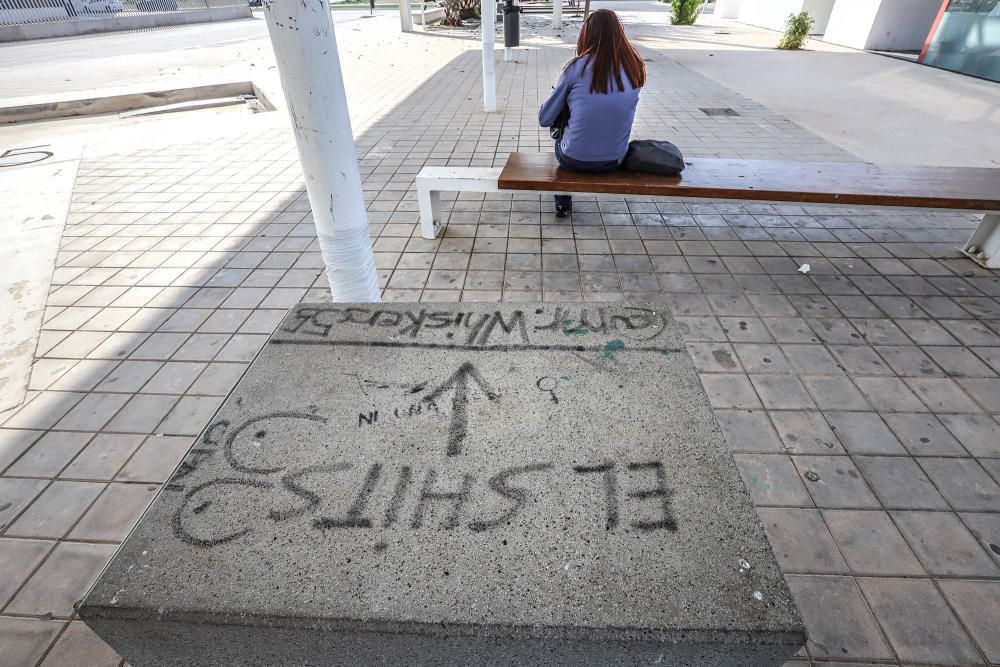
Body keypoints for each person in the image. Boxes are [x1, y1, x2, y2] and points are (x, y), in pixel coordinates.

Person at [538, 9, 645, 217]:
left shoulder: (575, 68)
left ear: (586, 34)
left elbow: (545, 119)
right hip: (615, 159)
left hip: (572, 159)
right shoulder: (635, 68)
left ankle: (562, 202)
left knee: (560, 138)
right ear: (619, 34)